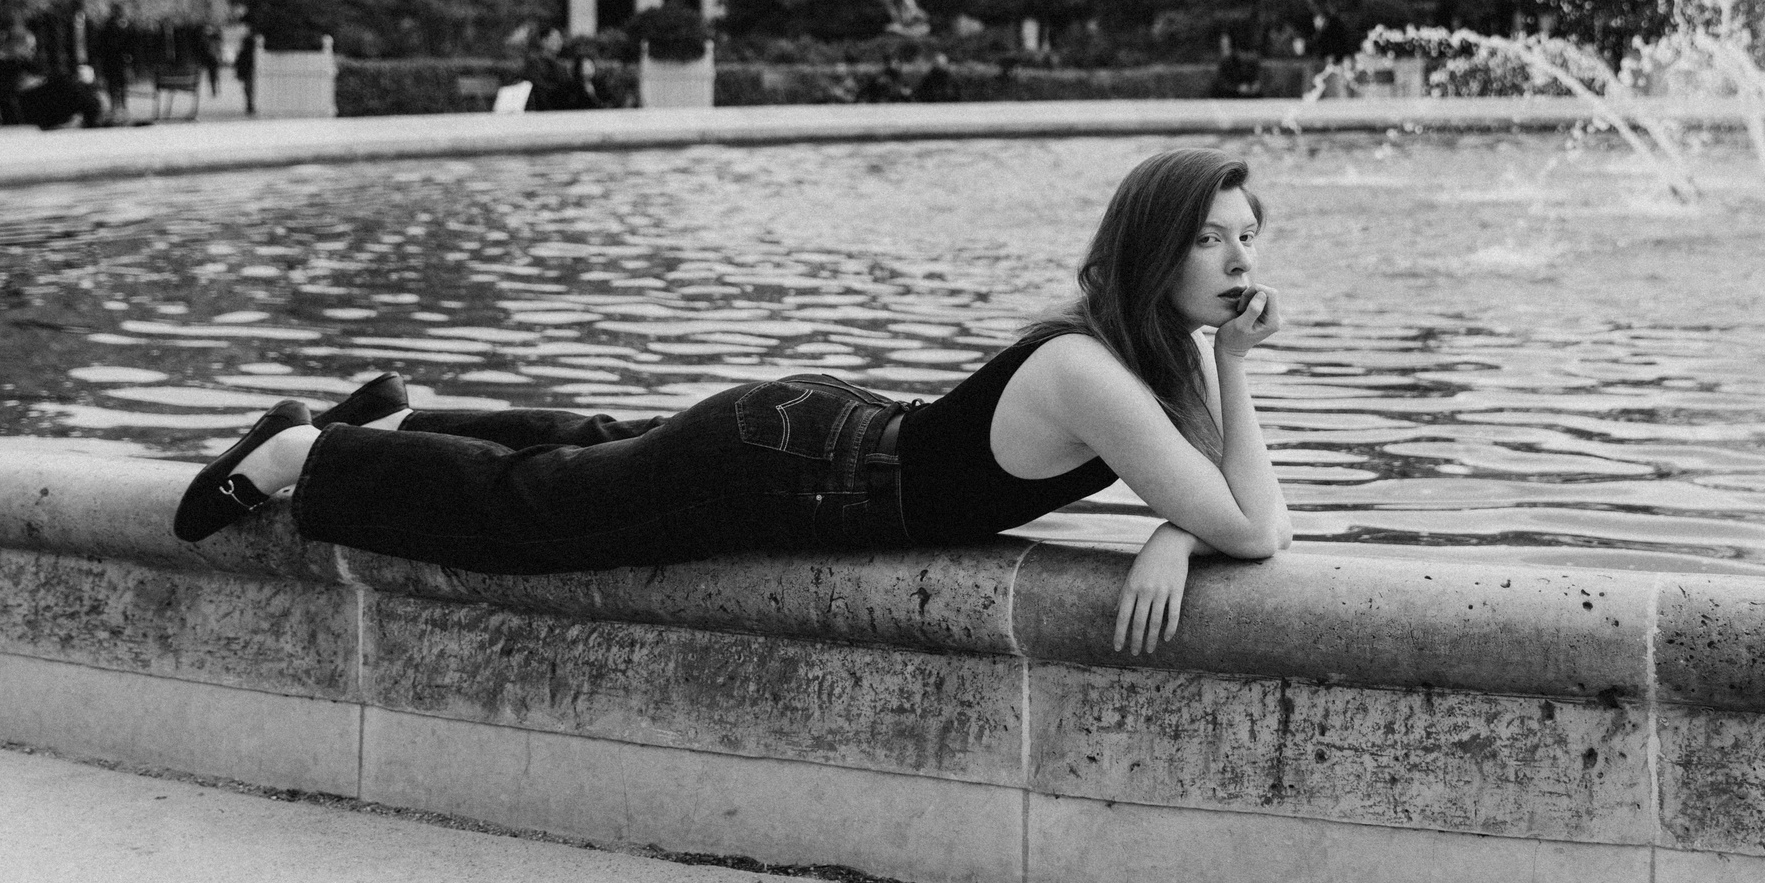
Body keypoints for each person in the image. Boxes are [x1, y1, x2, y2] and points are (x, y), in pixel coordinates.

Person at [173, 148, 1291, 652]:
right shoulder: (1093, 370)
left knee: (598, 450)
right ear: (1155, 245)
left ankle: (392, 422)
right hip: (795, 464)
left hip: (816, 441)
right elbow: (1244, 522)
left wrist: (1169, 532)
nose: (1237, 262)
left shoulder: (1152, 356)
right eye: (1209, 237)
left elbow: (1234, 517)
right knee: (549, 513)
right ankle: (302, 456)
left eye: (1246, 237)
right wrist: (1195, 496)